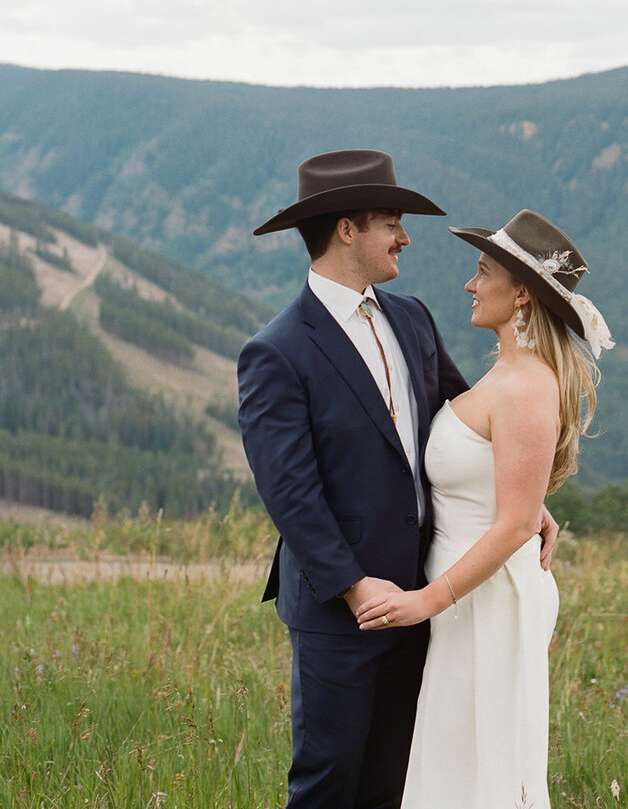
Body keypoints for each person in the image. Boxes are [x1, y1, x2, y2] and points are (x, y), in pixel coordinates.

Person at [237, 150, 558, 809]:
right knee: (328, 781)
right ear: (346, 228)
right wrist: (357, 591)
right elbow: (290, 495)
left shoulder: (411, 318)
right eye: (391, 222)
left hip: (423, 594)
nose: (405, 237)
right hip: (340, 611)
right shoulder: (278, 351)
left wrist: (526, 498)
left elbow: (465, 420)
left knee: (400, 782)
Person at [355, 210, 613, 809]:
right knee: (456, 766)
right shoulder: (506, 374)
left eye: (481, 272)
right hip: (470, 600)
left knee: (480, 772)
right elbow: (509, 494)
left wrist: (426, 600)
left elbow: (518, 522)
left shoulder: (525, 386)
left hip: (484, 600)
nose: (470, 286)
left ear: (521, 292)